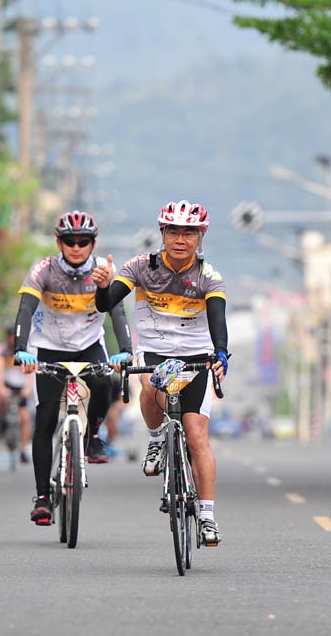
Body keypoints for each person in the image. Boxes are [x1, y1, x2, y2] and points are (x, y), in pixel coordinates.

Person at [92, 200, 229, 547]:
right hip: (156, 351)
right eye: (173, 232)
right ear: (162, 234)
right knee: (151, 385)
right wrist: (102, 286)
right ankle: (156, 440)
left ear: (201, 237)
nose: (180, 239)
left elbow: (217, 321)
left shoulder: (208, 277)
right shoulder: (140, 267)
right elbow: (107, 303)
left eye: (188, 233)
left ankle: (208, 517)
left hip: (196, 355)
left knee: (197, 435)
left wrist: (221, 354)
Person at [12, 210, 133, 526]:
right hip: (49, 347)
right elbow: (26, 308)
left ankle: (93, 434)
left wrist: (126, 351)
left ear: (93, 243)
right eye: (69, 241)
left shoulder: (104, 271)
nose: (76, 247)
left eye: (83, 242)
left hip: (89, 346)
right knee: (47, 419)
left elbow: (117, 314)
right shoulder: (44, 270)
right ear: (59, 241)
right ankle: (42, 498)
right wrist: (21, 350)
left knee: (104, 381)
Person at [0, 323, 32, 463]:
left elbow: (30, 372)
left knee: (25, 418)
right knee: (3, 399)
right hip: (7, 384)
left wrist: (28, 389)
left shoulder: (25, 350)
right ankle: (3, 421)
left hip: (21, 386)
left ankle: (23, 449)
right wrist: (1, 388)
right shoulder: (1, 351)